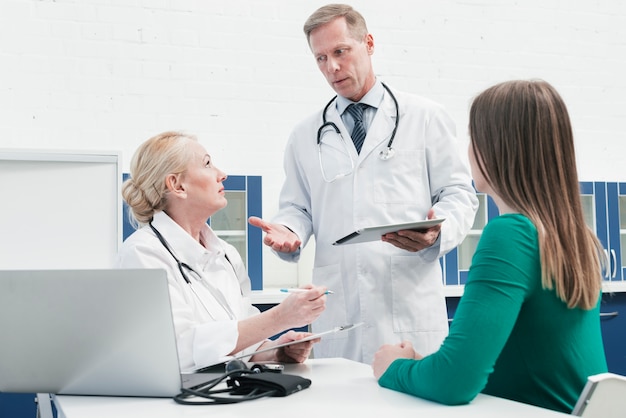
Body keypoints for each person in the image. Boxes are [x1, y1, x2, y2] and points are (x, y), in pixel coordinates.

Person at [248, 3, 478, 364]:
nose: (332, 67)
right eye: (321, 58)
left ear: (368, 43)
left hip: (408, 309)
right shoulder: (305, 134)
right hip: (340, 309)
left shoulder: (425, 117)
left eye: (341, 51)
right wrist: (288, 229)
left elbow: (459, 193)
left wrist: (438, 231)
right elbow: (297, 207)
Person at [371, 79, 609, 413]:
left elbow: (454, 384)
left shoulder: (512, 235)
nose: (467, 151)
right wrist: (421, 364)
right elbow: (518, 366)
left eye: (473, 137)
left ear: (496, 147)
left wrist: (393, 367)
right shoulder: (575, 236)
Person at [116, 131, 328, 372]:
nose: (222, 174)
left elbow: (243, 342)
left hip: (229, 394)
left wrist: (274, 351)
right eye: (207, 164)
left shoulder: (226, 254)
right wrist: (281, 317)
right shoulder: (143, 253)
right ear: (177, 185)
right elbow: (174, 350)